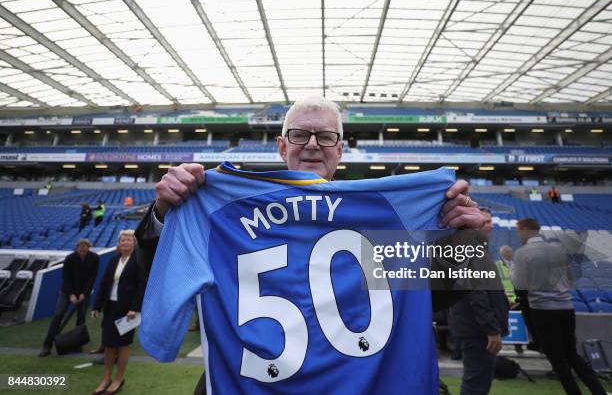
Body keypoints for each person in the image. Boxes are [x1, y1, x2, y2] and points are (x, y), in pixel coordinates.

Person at [135, 96, 486, 394]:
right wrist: (165, 213)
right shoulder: (223, 212)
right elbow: (153, 279)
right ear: (282, 146)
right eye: (301, 134)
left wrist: (470, 238)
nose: (314, 144)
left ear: (340, 149)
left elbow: (434, 294)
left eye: (326, 136)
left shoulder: (384, 214)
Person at [512, 218, 606, 395]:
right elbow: (571, 279)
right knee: (572, 354)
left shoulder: (522, 253)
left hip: (542, 310)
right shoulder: (559, 250)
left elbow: (519, 285)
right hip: (566, 307)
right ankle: (598, 391)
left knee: (558, 360)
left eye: (519, 231)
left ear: (524, 230)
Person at [448, 208, 510, 395]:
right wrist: (491, 329)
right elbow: (476, 295)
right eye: (486, 221)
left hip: (475, 328)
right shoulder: (471, 250)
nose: (490, 225)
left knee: (478, 383)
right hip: (478, 331)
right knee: (476, 386)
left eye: (491, 221)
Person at [91, 230, 145, 395]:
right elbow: (104, 284)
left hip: (128, 311)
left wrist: (135, 308)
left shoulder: (138, 261)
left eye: (129, 240)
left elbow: (141, 287)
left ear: (134, 243)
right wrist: (96, 306)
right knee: (108, 345)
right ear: (119, 243)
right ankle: (106, 379)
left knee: (123, 345)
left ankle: (119, 379)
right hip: (111, 308)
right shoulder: (113, 260)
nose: (126, 243)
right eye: (123, 240)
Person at [39, 238, 99, 357]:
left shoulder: (94, 258)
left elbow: (92, 278)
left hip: (84, 293)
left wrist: (84, 294)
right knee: (58, 316)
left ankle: (76, 345)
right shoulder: (70, 258)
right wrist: (71, 294)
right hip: (67, 292)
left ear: (89, 247)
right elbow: (66, 278)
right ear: (77, 247)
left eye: (85, 246)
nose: (82, 248)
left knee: (81, 319)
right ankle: (47, 345)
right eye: (80, 246)